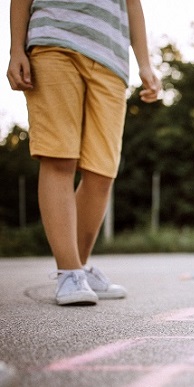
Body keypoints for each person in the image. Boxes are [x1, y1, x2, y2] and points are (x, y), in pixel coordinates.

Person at [6, 0, 161, 305]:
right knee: (59, 157)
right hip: (54, 42)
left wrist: (145, 63)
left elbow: (133, 4)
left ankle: (79, 267)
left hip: (111, 57)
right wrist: (16, 49)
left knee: (102, 170)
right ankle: (69, 271)